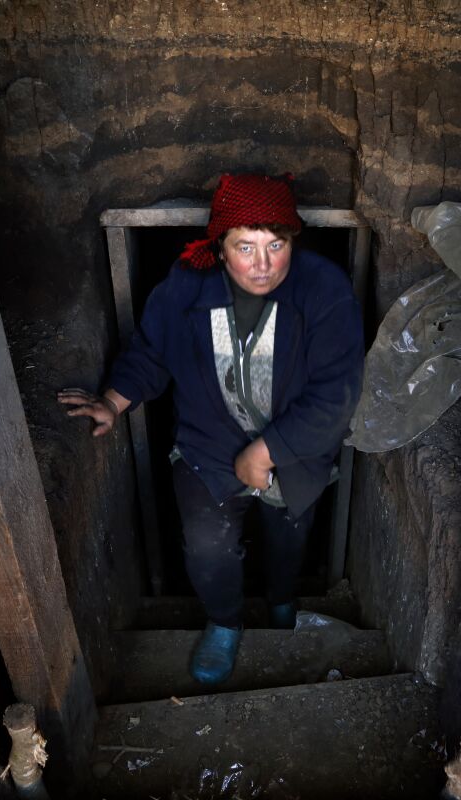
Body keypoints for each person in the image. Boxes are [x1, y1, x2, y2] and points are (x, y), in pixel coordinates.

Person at [58, 173, 364, 685]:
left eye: (276, 245)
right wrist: (113, 401)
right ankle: (224, 621)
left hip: (297, 450)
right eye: (245, 247)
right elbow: (152, 351)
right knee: (207, 545)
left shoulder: (323, 289)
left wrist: (266, 452)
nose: (262, 265)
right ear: (219, 248)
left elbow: (337, 392)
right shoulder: (187, 283)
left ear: (294, 242)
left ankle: (282, 604)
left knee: (289, 535)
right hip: (210, 443)